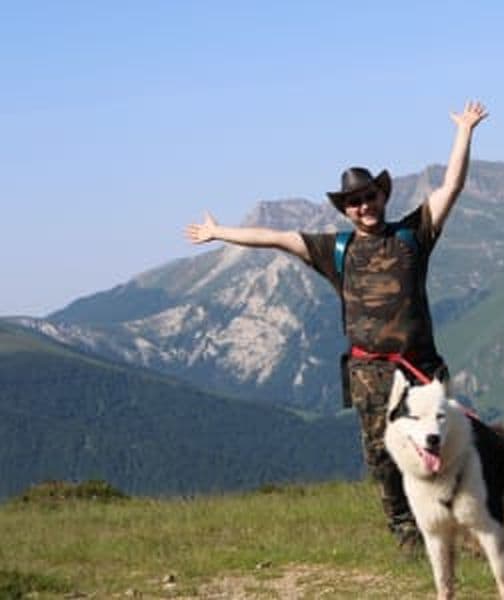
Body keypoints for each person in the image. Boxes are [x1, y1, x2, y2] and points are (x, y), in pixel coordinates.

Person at [185, 101, 488, 551]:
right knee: (381, 453)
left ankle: (458, 522)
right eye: (355, 201)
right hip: (369, 373)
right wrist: (219, 232)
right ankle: (405, 531)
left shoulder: (413, 234)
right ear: (346, 210)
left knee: (444, 443)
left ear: (383, 197)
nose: (364, 205)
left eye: (369, 196)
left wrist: (464, 131)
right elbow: (276, 239)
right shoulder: (336, 250)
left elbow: (452, 186)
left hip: (420, 365)